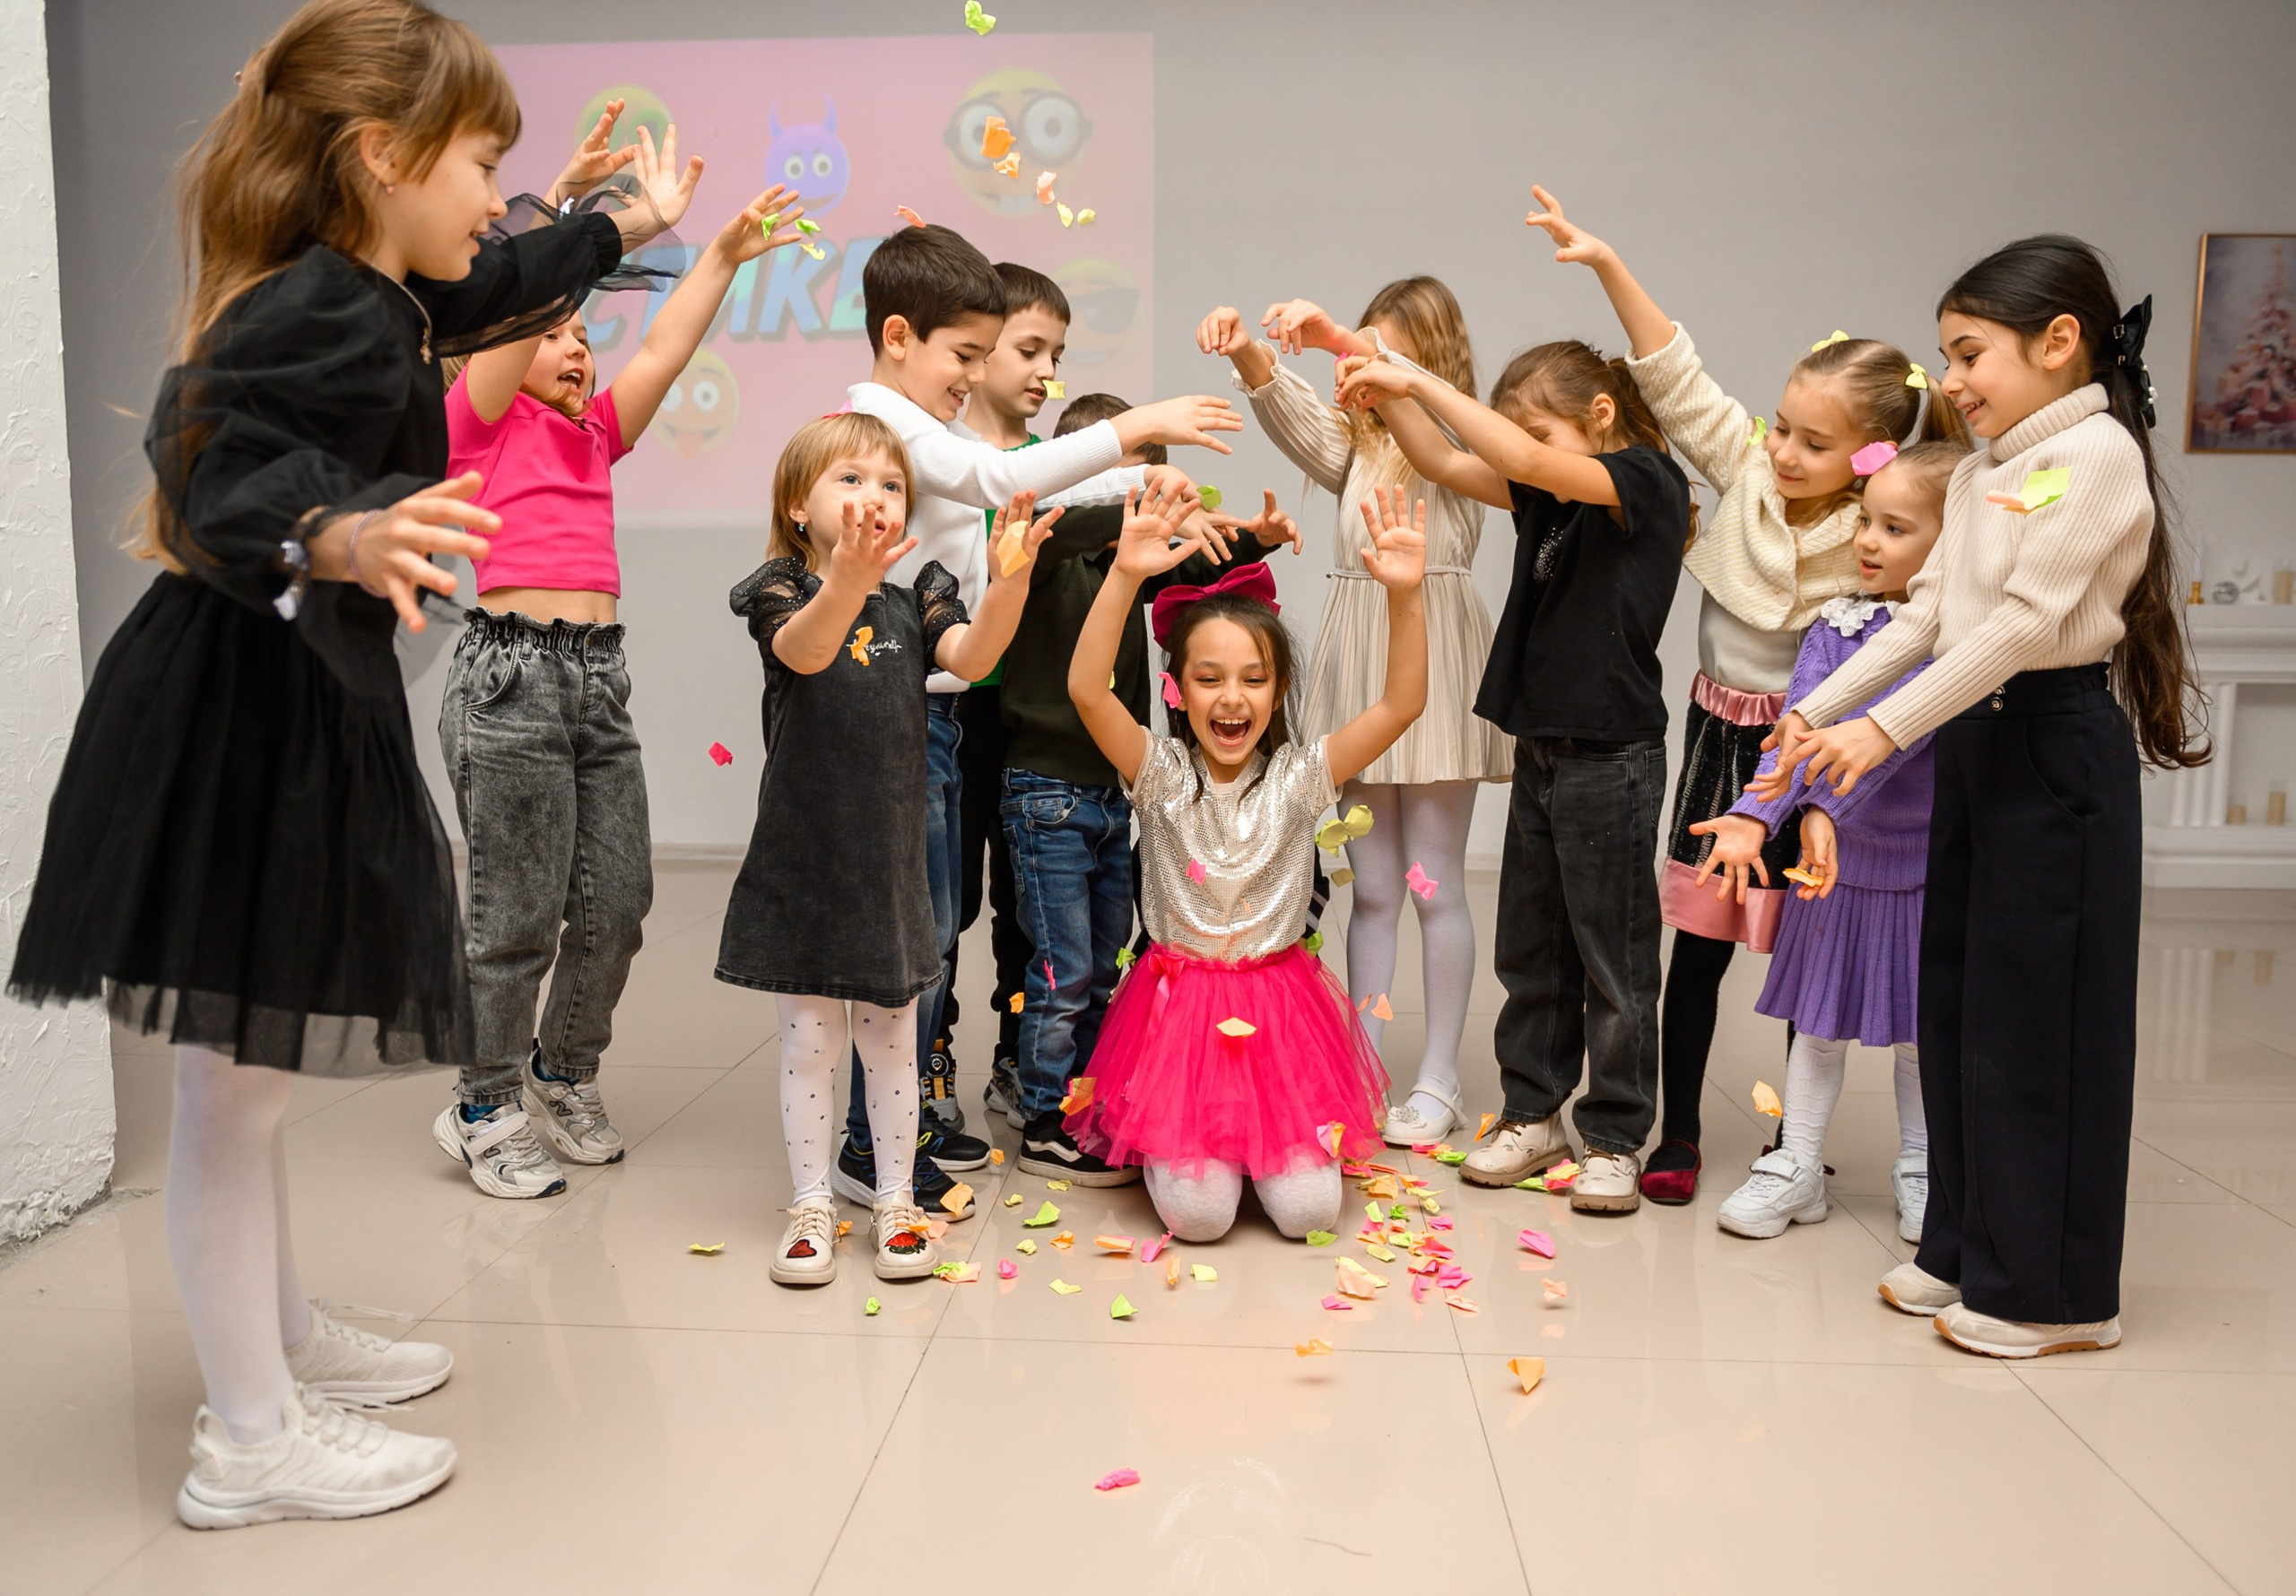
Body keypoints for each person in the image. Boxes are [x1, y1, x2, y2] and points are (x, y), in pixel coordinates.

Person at [5, 0, 674, 1525]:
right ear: (382, 155)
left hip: (292, 697)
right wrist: (342, 531)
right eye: (479, 166)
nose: (493, 203)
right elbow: (208, 447)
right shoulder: (312, 302)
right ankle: (249, 1438)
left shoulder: (384, 291)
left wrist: (608, 219)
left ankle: (283, 1344)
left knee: (247, 1091)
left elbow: (497, 279)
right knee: (229, 1099)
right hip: (243, 711)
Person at [1760, 236, 2205, 1357]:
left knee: (2037, 1026)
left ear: (2058, 345)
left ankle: (2054, 1296)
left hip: (2051, 749)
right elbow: (1922, 622)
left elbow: (2019, 629)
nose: (1948, 378)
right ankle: (1962, 1245)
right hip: (1974, 741)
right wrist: (1814, 714)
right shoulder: (1980, 468)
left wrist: (1879, 728)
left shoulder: (2096, 454)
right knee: (1955, 1006)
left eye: (1968, 352)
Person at [1524, 186, 1963, 1202]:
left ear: (1871, 458)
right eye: (1782, 426)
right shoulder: (1748, 474)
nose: (1783, 450)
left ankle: (1794, 1140)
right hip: (1722, 740)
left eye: (1815, 442)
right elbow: (1674, 376)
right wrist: (1605, 262)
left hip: (1821, 759)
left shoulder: (1880, 536)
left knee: (1809, 945)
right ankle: (1675, 1131)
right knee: (1703, 945)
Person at [431, 120, 808, 1200]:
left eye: (582, 336)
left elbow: (661, 351)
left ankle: (562, 1072)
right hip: (510, 677)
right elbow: (512, 314)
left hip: (598, 678)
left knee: (619, 901)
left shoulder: (592, 433)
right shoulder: (477, 420)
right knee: (511, 916)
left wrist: (725, 257)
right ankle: (483, 1101)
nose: (577, 346)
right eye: (556, 333)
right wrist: (563, 224)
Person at [836, 221, 1240, 1202]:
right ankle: (868, 1144)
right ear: (898, 337)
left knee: (932, 933)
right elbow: (996, 481)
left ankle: (898, 1126)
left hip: (936, 710)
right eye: (964, 356)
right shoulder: (886, 425)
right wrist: (1136, 435)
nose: (972, 379)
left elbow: (1009, 505)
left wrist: (1135, 481)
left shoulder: (922, 424)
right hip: (898, 715)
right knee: (910, 938)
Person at [1335, 339, 1691, 1213]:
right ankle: (1532, 1110)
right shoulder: (1547, 494)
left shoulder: (1642, 481)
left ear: (1598, 417)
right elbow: (1442, 457)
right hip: (1541, 744)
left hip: (1611, 752)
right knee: (1531, 944)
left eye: (1535, 426)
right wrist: (1387, 388)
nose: (1516, 446)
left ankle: (1611, 1134)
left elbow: (1520, 454)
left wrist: (1416, 377)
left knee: (1612, 954)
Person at [717, 412, 1060, 1285]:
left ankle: (896, 1195)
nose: (873, 495)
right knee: (807, 1042)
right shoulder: (780, 591)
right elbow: (807, 649)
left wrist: (1011, 582)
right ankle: (810, 1202)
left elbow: (975, 659)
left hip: (890, 869)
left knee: (893, 1041)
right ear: (799, 506)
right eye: (849, 479)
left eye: (890, 483)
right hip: (803, 863)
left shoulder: (922, 597)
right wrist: (844, 577)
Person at [1060, 486, 1428, 1241]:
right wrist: (1125, 577)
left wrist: (1405, 598)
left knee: (1309, 1213)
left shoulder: (1300, 777)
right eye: (1209, 678)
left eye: (1254, 678)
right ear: (1178, 688)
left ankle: (1257, 1153)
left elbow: (1401, 705)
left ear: (1279, 688)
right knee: (1199, 1220)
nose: (1232, 699)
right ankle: (1204, 1152)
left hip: (1279, 1012)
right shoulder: (1159, 771)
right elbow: (1086, 692)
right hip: (1178, 1017)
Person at [1199, 282, 1510, 1146]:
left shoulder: (1454, 433)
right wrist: (1249, 354)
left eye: (1381, 350)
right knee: (1372, 886)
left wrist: (1349, 344)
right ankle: (1365, 1068)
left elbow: (1420, 417)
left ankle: (1440, 1078)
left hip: (1434, 650)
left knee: (1434, 879)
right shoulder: (1360, 442)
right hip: (1357, 656)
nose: (1356, 366)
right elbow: (1295, 414)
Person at [996, 393, 1300, 1182]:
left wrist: (1253, 540)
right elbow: (1076, 524)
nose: (1147, 511)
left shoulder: (1130, 563)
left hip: (1110, 796)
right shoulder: (1046, 546)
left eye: (1155, 488)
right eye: (1127, 485)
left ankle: (1081, 1102)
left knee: (1102, 963)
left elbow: (1203, 560)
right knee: (1063, 972)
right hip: (1046, 791)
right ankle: (1042, 1118)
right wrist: (1133, 506)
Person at [1691, 440, 1966, 1240]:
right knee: (1817, 1026)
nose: (1869, 542)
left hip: (1920, 870)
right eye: (1867, 522)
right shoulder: (1834, 627)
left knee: (1920, 1033)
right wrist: (1757, 814)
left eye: (1896, 527)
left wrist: (1822, 812)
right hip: (1830, 873)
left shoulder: (1959, 642)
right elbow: (1798, 729)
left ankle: (1921, 1170)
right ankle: (1798, 1163)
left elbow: (1900, 740)